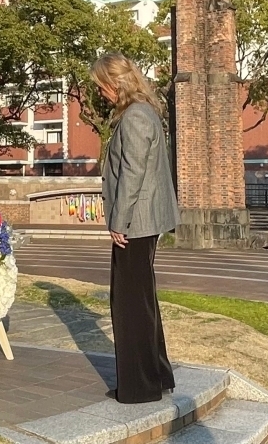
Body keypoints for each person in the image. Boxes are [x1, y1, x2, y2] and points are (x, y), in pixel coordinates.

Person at [92, 52, 180, 404]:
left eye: (102, 86)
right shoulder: (143, 113)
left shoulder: (135, 117)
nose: (100, 93)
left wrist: (119, 221)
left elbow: (133, 173)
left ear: (115, 83)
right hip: (141, 223)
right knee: (141, 302)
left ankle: (141, 386)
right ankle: (156, 376)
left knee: (129, 305)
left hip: (135, 225)